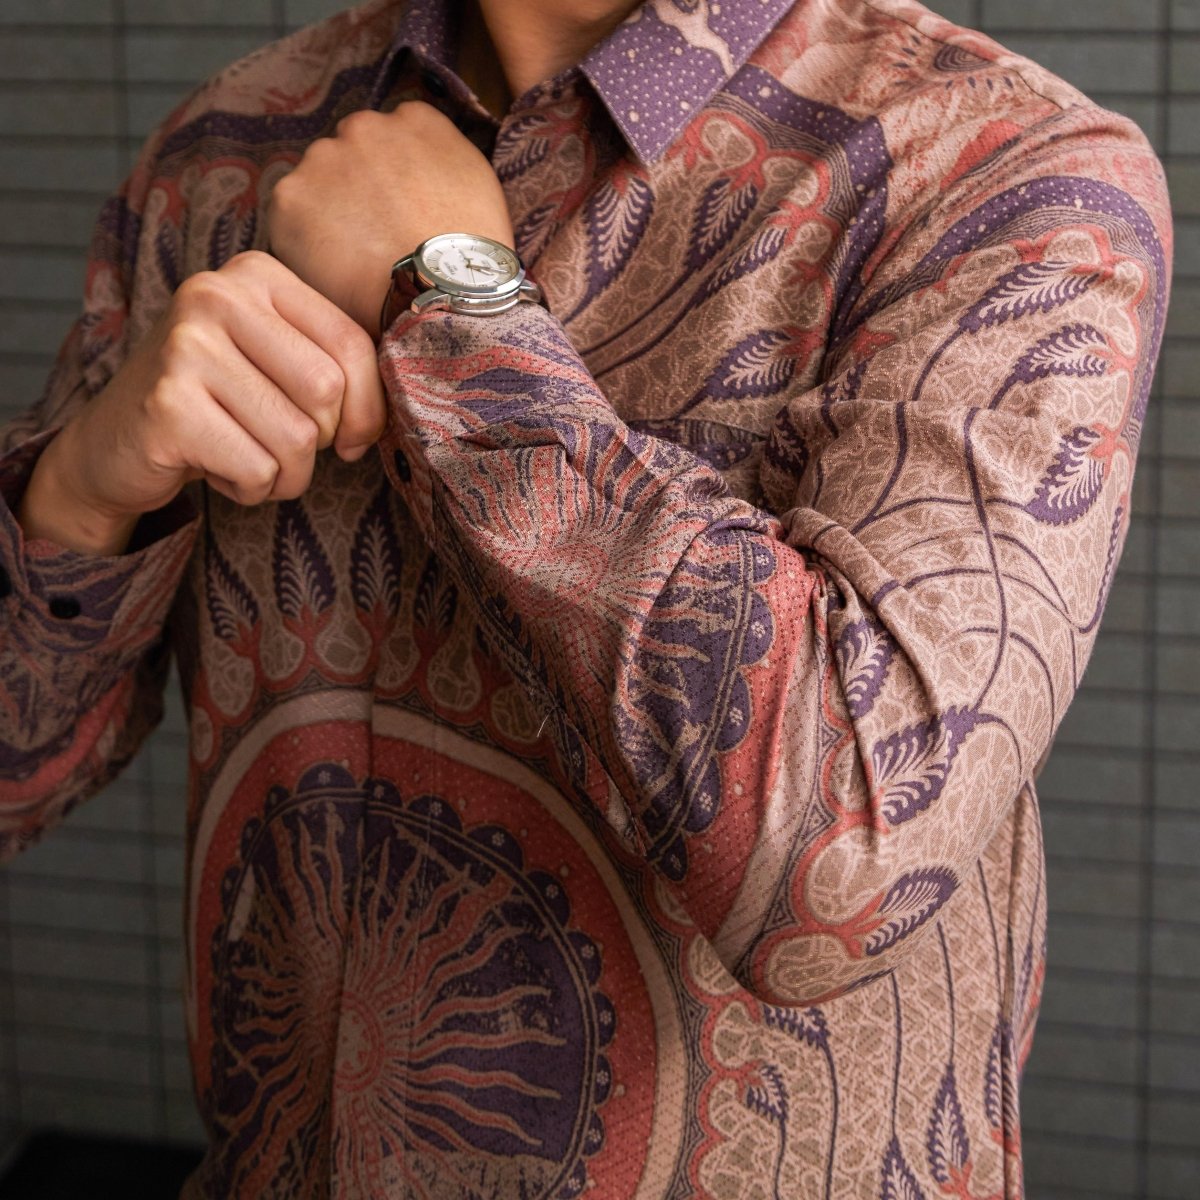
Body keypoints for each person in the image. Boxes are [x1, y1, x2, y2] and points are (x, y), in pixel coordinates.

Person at [0, 0, 1171, 1195]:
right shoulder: (222, 150)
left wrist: (452, 299)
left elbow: (845, 867)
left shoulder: (1002, 173)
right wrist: (79, 493)